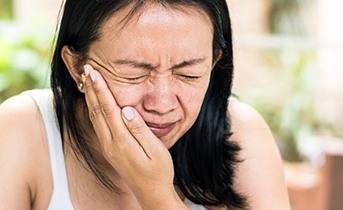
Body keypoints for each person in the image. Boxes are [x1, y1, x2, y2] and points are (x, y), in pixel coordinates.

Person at [0, 0, 291, 209]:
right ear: (76, 65)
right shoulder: (23, 130)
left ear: (214, 63)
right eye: (134, 72)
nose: (162, 103)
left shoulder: (242, 133)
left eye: (187, 73)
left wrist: (157, 194)